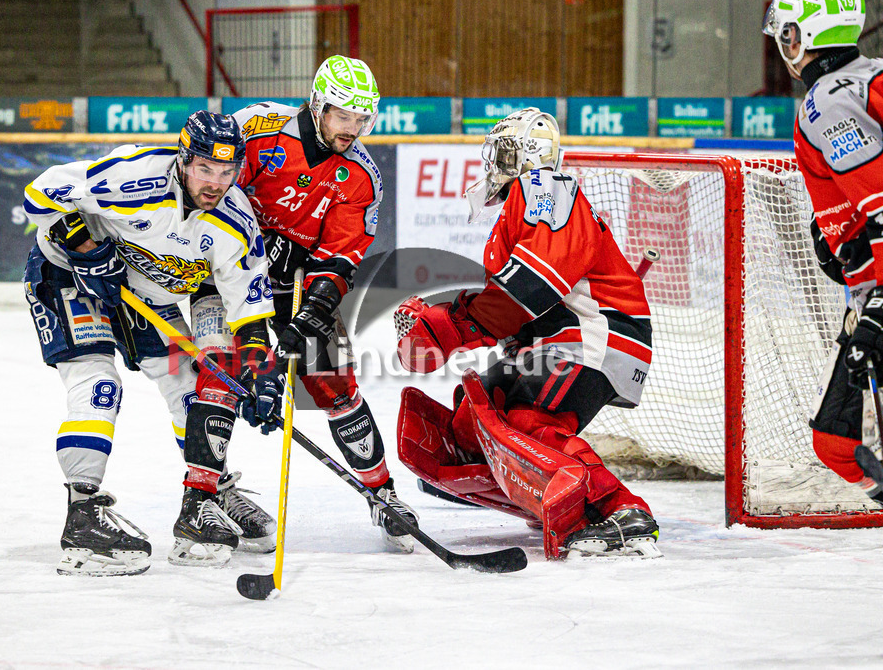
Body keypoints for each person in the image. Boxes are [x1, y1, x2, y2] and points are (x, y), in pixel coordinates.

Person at [393, 108, 660, 559]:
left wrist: (449, 327)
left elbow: (534, 287)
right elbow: (511, 302)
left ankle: (621, 510)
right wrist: (449, 319)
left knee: (526, 424)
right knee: (475, 413)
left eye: (501, 151)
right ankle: (518, 484)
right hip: (550, 340)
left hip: (592, 337)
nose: (492, 163)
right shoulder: (523, 203)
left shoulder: (543, 188)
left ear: (523, 154)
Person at [22, 110, 281, 575]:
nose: (215, 182)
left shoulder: (236, 222)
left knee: (187, 382)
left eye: (227, 171)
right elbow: (40, 193)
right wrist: (87, 249)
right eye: (205, 168)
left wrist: (261, 373)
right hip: (65, 273)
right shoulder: (135, 177)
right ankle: (82, 517)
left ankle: (207, 495)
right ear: (184, 159)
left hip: (138, 287)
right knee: (100, 385)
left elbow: (251, 310)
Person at [219, 54, 420, 552]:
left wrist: (310, 315)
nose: (352, 129)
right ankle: (209, 494)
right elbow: (208, 194)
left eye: (362, 118)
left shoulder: (361, 175)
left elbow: (339, 259)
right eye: (342, 116)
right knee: (218, 384)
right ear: (317, 105)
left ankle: (383, 494)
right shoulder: (257, 132)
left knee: (335, 387)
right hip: (229, 281)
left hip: (296, 287)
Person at [763, 0, 883, 504]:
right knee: (837, 439)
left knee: (838, 443)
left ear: (801, 36)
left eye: (785, 34)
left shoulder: (829, 100)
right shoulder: (867, 75)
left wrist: (879, 306)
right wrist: (840, 241)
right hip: (870, 286)